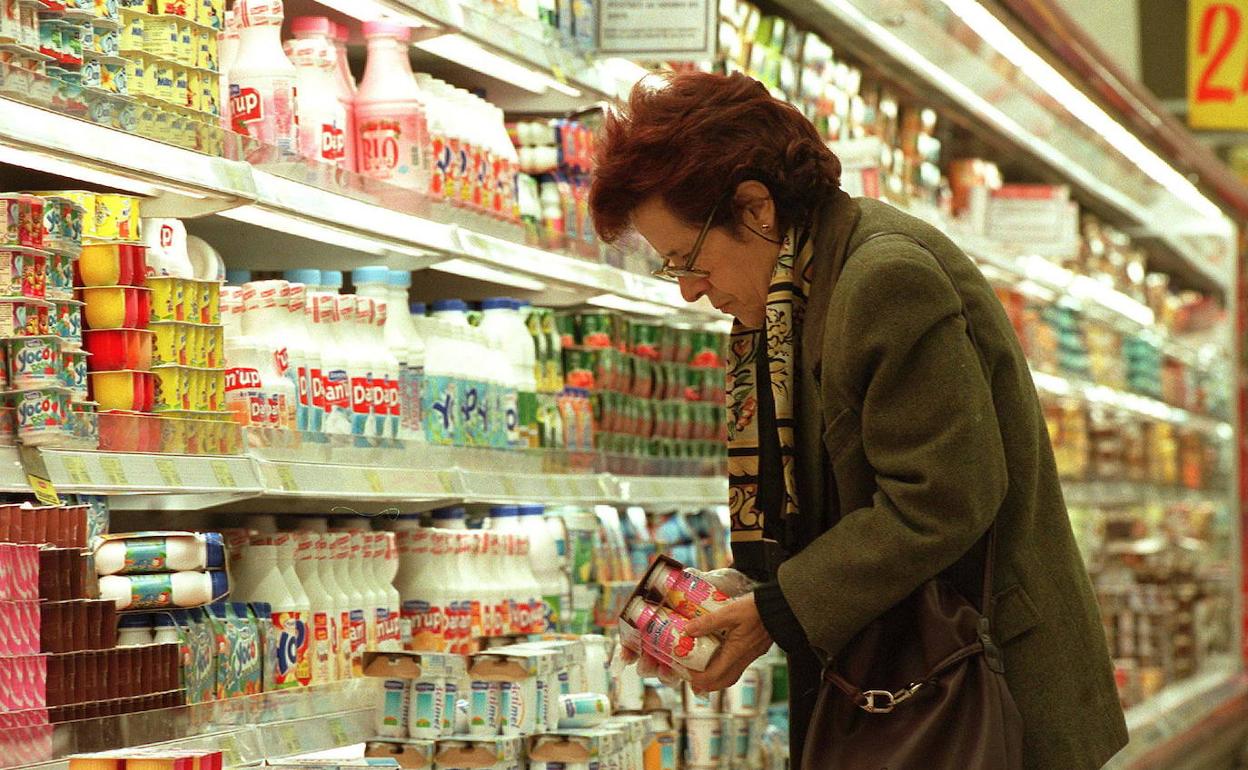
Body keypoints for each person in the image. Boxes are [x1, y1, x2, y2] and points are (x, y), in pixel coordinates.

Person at [591, 71, 1128, 769]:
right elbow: (833, 507)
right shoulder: (787, 303)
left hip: (978, 697)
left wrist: (776, 613)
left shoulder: (884, 277)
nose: (691, 289)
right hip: (905, 688)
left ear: (755, 207)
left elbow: (941, 500)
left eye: (686, 260)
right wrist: (745, 594)